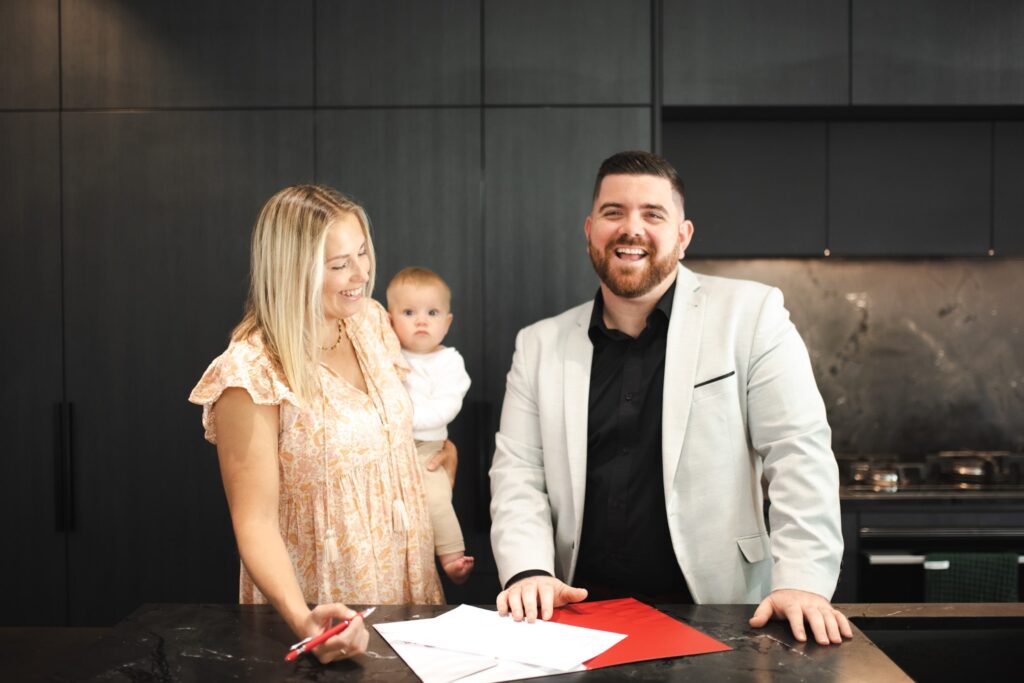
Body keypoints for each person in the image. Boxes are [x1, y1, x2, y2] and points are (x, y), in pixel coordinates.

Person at [488, 151, 852, 646]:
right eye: (614, 213)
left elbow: (798, 452)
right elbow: (518, 474)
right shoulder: (538, 345)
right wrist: (526, 570)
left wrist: (803, 583)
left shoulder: (751, 315)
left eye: (653, 214)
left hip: (722, 614)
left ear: (683, 236)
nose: (631, 229)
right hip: (575, 619)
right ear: (590, 230)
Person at [189, 185, 454, 664]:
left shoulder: (371, 324)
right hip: (326, 602)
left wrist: (430, 453)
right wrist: (302, 618)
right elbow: (254, 522)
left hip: (406, 581)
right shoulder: (251, 372)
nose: (361, 274)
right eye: (339, 265)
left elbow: (385, 434)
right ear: (292, 270)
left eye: (362, 253)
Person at [386, 267, 475, 584]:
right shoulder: (387, 354)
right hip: (386, 449)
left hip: (427, 448)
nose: (421, 321)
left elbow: (446, 406)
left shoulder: (449, 361)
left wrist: (403, 419)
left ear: (447, 322)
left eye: (432, 312)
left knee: (436, 498)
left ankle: (451, 556)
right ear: (390, 319)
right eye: (409, 312)